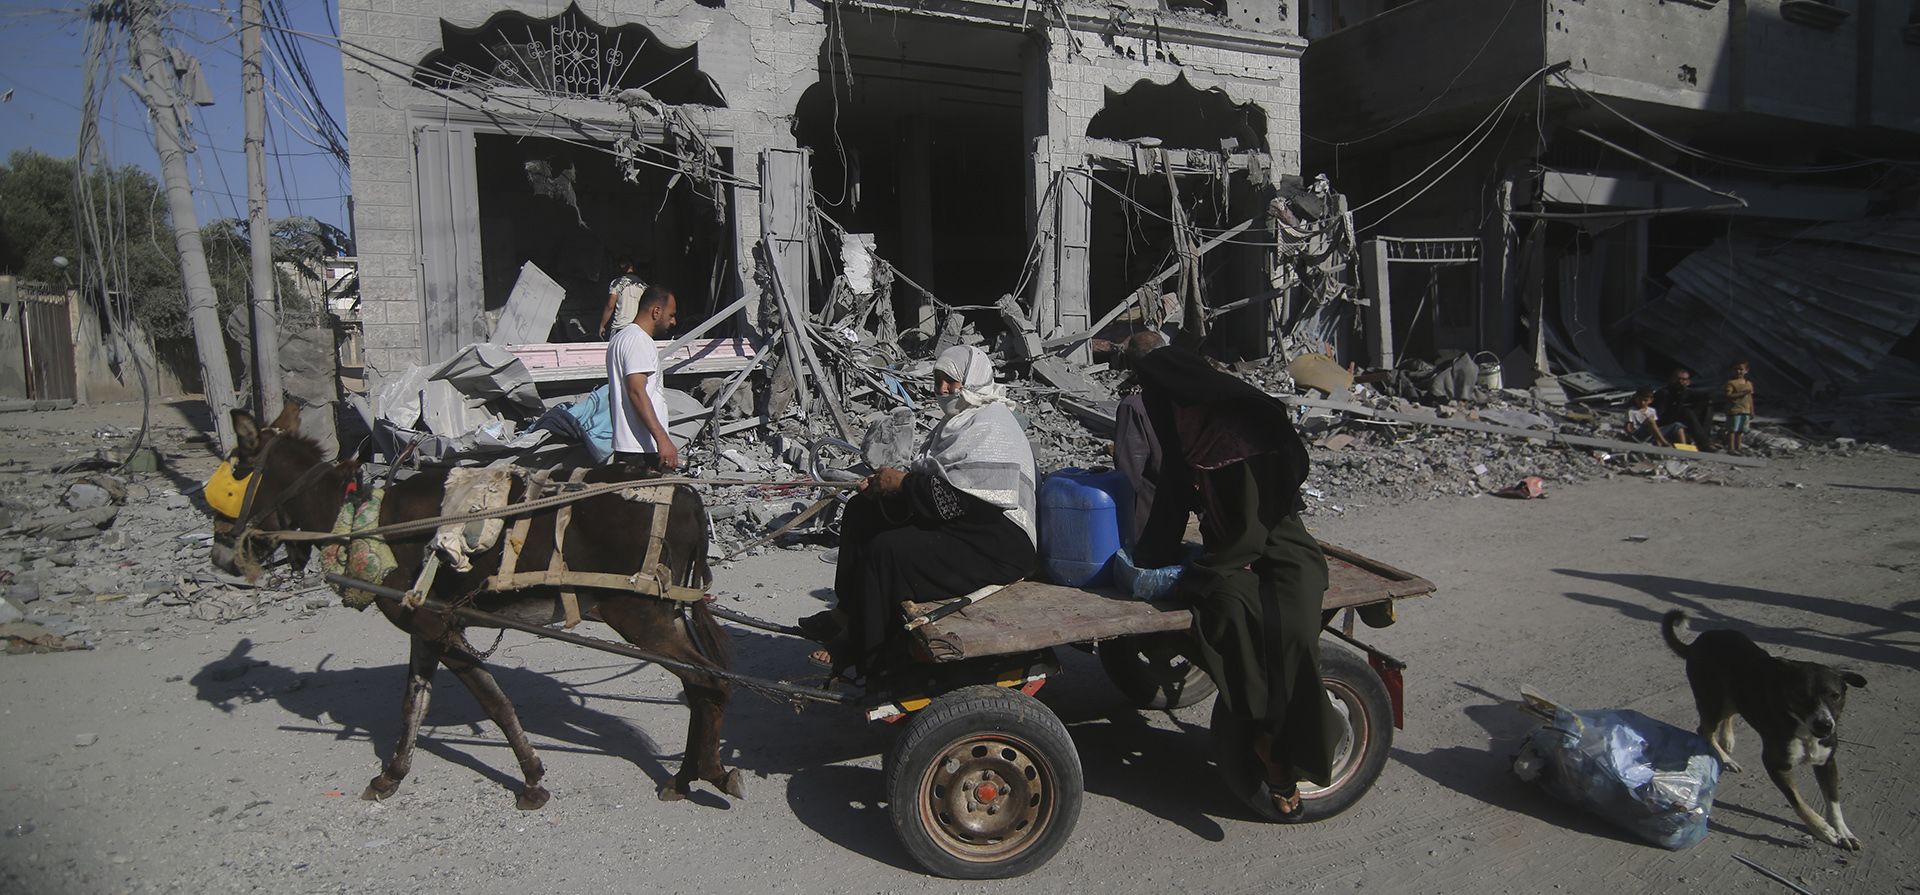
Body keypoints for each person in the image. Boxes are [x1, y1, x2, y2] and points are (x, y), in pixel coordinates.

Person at [1119, 330, 1341, 819]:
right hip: (1232, 554)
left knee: (1293, 633)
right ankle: (1267, 740)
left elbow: (1251, 519)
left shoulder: (1227, 417)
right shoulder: (1186, 414)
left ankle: (1279, 746)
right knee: (1230, 612)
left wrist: (1190, 557)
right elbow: (1169, 491)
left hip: (1282, 547)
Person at [804, 345, 1038, 677]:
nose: (942, 390)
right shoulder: (959, 421)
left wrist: (900, 485)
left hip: (997, 542)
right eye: (938, 381)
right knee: (862, 510)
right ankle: (848, 611)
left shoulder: (992, 426)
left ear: (972, 381)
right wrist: (884, 488)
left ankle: (863, 649)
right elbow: (939, 485)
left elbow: (958, 500)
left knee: (887, 551)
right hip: (967, 526)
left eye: (950, 382)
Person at [606, 285, 679, 473]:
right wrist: (662, 440)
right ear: (656, 311)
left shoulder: (621, 338)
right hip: (641, 450)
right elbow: (637, 391)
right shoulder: (638, 340)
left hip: (632, 447)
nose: (674, 322)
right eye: (671, 315)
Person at [1653, 367, 1712, 450]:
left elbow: (1704, 395)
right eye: (1678, 379)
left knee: (1707, 407)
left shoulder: (1685, 391)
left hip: (1678, 418)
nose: (1681, 382)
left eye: (1684, 380)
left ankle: (1705, 440)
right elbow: (1660, 414)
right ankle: (1703, 443)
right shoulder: (1664, 392)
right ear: (1672, 379)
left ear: (1688, 381)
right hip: (1663, 422)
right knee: (1687, 412)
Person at [597, 258, 646, 339]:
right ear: (632, 267)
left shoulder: (616, 283)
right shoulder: (644, 286)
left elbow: (610, 306)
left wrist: (602, 325)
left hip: (620, 328)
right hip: (638, 328)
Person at [1724, 360, 1755, 455]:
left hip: (1745, 410)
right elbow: (1728, 395)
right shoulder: (1731, 383)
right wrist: (1741, 394)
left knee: (1740, 430)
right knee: (1733, 429)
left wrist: (1751, 410)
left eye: (1741, 369)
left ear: (1746, 371)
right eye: (1736, 369)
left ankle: (1739, 447)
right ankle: (1731, 448)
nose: (1739, 371)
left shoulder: (1748, 383)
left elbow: (1750, 397)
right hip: (1735, 410)